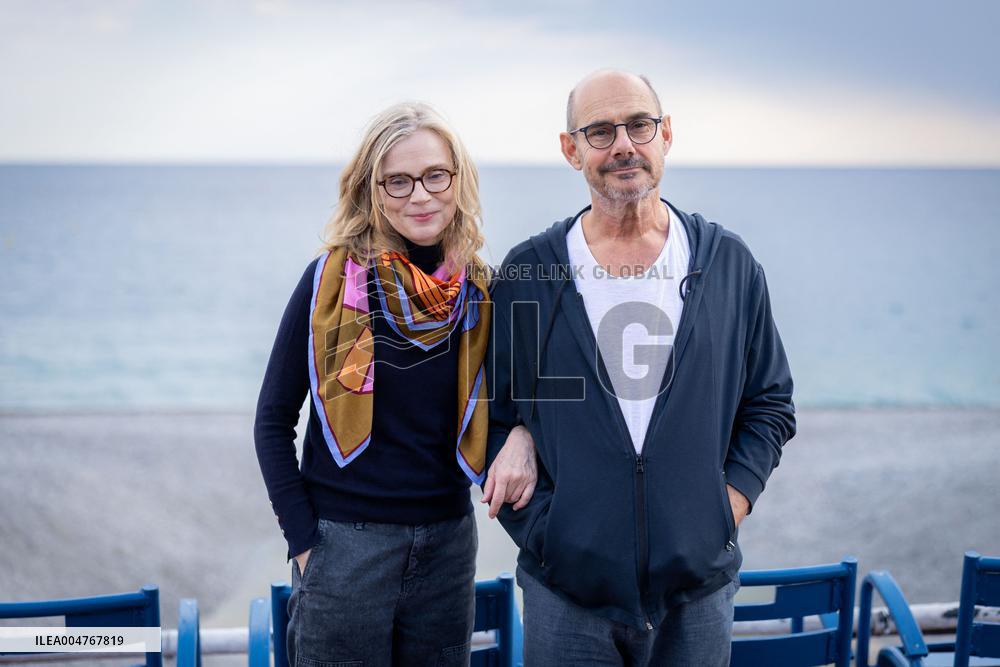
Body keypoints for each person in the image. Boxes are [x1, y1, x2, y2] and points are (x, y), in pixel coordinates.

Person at [486, 69, 796, 666]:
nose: (624, 144)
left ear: (666, 135)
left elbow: (769, 404)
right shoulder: (529, 274)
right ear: (570, 149)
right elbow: (488, 414)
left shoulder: (727, 264)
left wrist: (724, 507)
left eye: (639, 125)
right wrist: (548, 527)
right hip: (566, 596)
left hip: (698, 592)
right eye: (600, 131)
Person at [254, 101, 536, 667]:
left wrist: (525, 434)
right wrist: (306, 543)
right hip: (344, 546)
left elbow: (522, 397)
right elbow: (273, 420)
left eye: (435, 176)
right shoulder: (332, 285)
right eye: (399, 181)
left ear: (458, 180)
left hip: (448, 545)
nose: (420, 195)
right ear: (372, 190)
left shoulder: (480, 290)